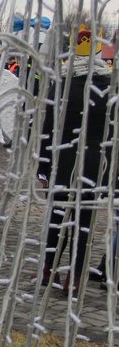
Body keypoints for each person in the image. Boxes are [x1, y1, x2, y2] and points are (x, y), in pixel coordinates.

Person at [37, 25, 113, 295]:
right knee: (84, 220)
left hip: (63, 156)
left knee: (58, 214)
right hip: (94, 160)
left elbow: (48, 129)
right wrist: (110, 174)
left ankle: (49, 267)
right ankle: (76, 277)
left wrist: (43, 166)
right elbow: (112, 134)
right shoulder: (109, 86)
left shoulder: (62, 83)